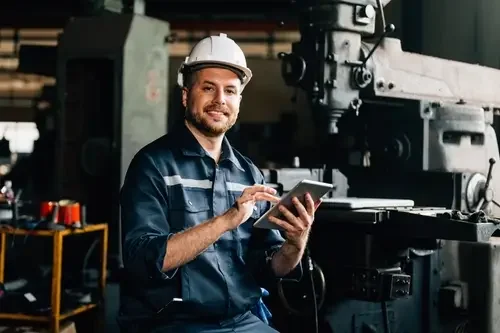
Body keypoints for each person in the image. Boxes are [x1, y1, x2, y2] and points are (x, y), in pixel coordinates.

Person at [118, 33, 320, 333]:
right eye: (208, 88)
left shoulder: (248, 173)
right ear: (187, 96)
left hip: (240, 320)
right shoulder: (153, 166)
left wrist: (295, 242)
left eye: (230, 91)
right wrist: (227, 220)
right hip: (171, 323)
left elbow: (272, 266)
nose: (219, 100)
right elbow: (144, 261)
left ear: (239, 100)